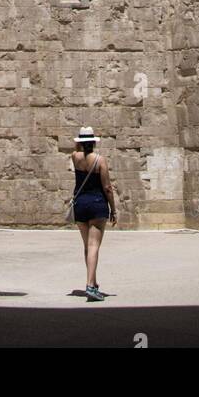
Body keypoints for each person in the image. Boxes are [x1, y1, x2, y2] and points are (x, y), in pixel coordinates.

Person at [70, 126, 117, 301]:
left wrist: (78, 143)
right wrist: (113, 208)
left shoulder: (75, 158)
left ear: (81, 143)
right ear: (93, 143)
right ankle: (90, 285)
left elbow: (76, 150)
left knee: (87, 246)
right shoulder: (100, 161)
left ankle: (93, 282)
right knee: (94, 246)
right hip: (97, 204)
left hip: (80, 204)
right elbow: (107, 187)